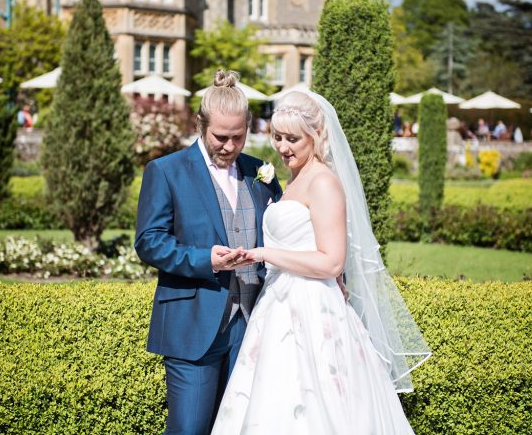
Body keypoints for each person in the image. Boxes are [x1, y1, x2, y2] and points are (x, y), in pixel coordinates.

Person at [211, 91, 430, 434]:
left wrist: (265, 254)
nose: (283, 148)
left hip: (312, 307)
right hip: (277, 303)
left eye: (293, 139)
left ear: (316, 136)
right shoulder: (296, 180)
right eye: (278, 137)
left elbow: (331, 262)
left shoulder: (325, 182)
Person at [135, 70, 283, 434]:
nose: (229, 147)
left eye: (238, 137)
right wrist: (206, 261)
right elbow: (149, 240)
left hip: (253, 326)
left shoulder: (258, 173)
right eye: (220, 136)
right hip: (193, 325)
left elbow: (283, 232)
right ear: (201, 124)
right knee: (189, 430)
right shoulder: (167, 171)